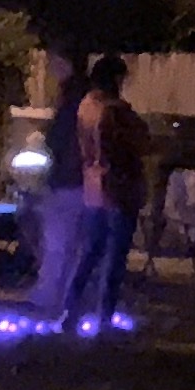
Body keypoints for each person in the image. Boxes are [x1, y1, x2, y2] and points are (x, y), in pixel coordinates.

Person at [67, 53, 148, 324]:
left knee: (89, 253)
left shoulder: (86, 105)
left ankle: (70, 311)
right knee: (114, 258)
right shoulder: (116, 111)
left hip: (93, 188)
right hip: (119, 189)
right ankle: (104, 318)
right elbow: (138, 142)